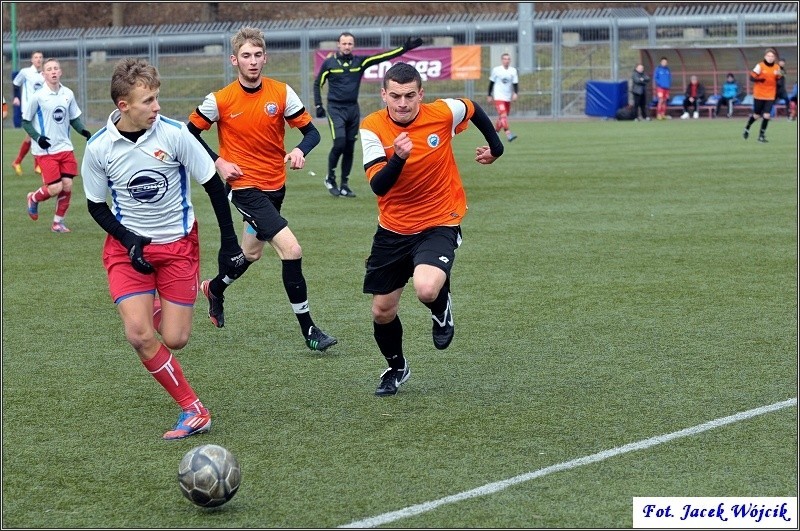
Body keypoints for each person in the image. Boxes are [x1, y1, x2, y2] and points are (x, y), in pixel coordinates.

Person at [81, 58, 245, 440]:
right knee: (138, 334)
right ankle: (194, 409)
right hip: (127, 250)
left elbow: (213, 185)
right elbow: (95, 204)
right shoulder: (99, 147)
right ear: (124, 107)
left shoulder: (174, 134)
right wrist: (128, 239)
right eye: (148, 101)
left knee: (175, 339)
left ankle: (155, 305)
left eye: (157, 98)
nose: (157, 107)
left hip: (178, 246)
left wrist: (229, 243)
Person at [188, 26, 337, 352]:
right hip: (243, 187)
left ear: (265, 58)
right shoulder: (220, 100)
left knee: (251, 254)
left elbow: (312, 133)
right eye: (246, 56)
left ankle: (214, 287)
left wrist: (300, 150)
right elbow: (189, 135)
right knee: (291, 250)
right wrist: (218, 162)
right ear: (234, 60)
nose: (252, 61)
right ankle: (310, 330)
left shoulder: (282, 93)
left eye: (257, 55)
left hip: (275, 186)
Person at [358, 62, 504, 396]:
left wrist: (496, 148)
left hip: (441, 219)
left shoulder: (441, 113)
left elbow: (472, 108)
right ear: (384, 95)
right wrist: (398, 157)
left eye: (410, 95)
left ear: (421, 94)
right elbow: (379, 186)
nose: (403, 103)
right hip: (393, 228)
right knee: (382, 311)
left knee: (426, 288)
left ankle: (441, 307)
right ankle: (397, 368)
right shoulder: (372, 128)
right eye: (395, 96)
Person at [314, 32, 423, 198]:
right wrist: (318, 104)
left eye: (350, 43)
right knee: (340, 143)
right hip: (335, 109)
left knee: (350, 147)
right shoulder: (329, 63)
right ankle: (330, 178)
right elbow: (317, 83)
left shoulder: (360, 62)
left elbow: (382, 57)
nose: (347, 46)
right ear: (338, 45)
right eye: (344, 43)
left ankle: (344, 184)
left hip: (352, 109)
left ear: (353, 45)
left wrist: (404, 48)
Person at [22, 58, 92, 233]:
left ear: (60, 72)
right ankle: (33, 198)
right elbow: (26, 122)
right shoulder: (38, 96)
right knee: (55, 188)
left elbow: (74, 118)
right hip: (45, 151)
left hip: (65, 148)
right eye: (49, 69)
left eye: (56, 69)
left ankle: (57, 223)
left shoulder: (68, 93)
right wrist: (38, 138)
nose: (53, 71)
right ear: (43, 74)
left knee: (67, 185)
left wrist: (83, 131)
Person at [11, 50, 44, 175]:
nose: (38, 59)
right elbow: (15, 83)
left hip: (40, 109)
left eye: (40, 57)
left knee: (33, 135)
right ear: (32, 60)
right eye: (36, 57)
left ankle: (18, 162)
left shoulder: (43, 74)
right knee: (35, 134)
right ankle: (36, 165)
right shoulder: (26, 72)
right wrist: (16, 97)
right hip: (28, 109)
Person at [743, 47, 783, 143]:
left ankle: (761, 136)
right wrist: (759, 80)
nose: (770, 58)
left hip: (770, 95)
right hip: (759, 94)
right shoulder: (760, 66)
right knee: (756, 115)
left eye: (772, 56)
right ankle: (747, 127)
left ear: (774, 58)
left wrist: (779, 82)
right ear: (765, 56)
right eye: (768, 56)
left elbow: (780, 78)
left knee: (766, 115)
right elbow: (751, 78)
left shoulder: (777, 67)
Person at [487, 52, 520, 140]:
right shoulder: (496, 70)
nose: (506, 61)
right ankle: (508, 134)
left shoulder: (513, 70)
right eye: (505, 59)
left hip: (507, 97)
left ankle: (495, 134)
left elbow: (515, 83)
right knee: (503, 115)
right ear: (502, 60)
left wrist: (516, 93)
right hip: (498, 97)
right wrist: (489, 95)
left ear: (510, 61)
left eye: (508, 59)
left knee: (502, 118)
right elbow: (491, 83)